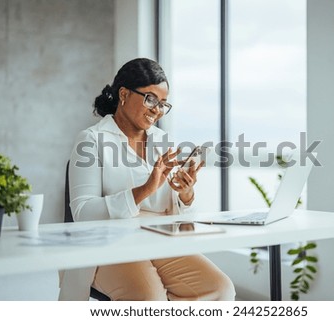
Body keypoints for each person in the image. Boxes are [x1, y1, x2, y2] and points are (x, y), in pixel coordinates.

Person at [60, 58, 235, 301]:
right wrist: (145, 189)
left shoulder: (163, 140)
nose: (157, 110)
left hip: (159, 240)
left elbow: (174, 213)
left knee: (220, 288)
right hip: (107, 244)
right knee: (149, 298)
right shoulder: (91, 140)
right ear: (123, 94)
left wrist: (185, 194)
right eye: (150, 99)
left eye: (163, 104)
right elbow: (83, 211)